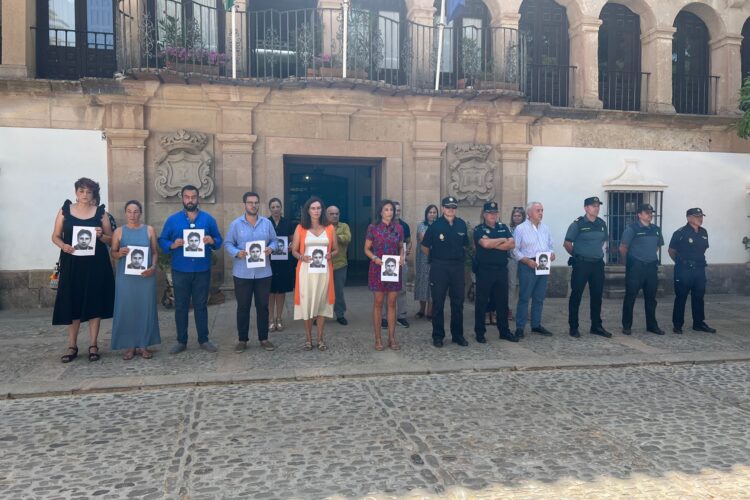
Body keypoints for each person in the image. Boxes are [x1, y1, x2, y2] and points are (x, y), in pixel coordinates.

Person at [51, 177, 114, 363]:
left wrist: (102, 236)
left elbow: (111, 240)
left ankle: (93, 344)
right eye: (82, 191)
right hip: (72, 263)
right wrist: (63, 246)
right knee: (73, 303)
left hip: (96, 265)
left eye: (89, 192)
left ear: (93, 194)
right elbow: (55, 236)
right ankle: (72, 345)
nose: (85, 195)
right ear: (76, 192)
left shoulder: (101, 213)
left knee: (94, 302)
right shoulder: (65, 211)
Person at [158, 185, 223, 353]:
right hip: (180, 269)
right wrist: (172, 244)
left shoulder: (208, 219)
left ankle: (204, 339)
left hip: (202, 269)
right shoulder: (173, 220)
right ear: (182, 198)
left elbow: (219, 239)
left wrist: (211, 241)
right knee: (180, 305)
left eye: (193, 197)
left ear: (198, 198)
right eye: (187, 197)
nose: (190, 200)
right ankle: (181, 341)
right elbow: (162, 240)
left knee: (201, 305)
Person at [224, 191, 280, 353]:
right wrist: (237, 252)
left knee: (263, 306)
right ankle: (242, 340)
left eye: (256, 203)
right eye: (250, 202)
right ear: (245, 205)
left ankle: (264, 338)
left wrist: (271, 248)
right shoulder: (236, 224)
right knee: (243, 307)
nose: (253, 205)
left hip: (263, 273)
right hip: (242, 273)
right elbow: (228, 243)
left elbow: (275, 241)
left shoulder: (266, 224)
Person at [110, 200, 161, 359]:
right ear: (125, 213)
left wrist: (153, 267)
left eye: (136, 211)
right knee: (127, 309)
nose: (132, 215)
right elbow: (113, 253)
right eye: (129, 211)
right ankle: (130, 346)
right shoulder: (119, 232)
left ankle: (144, 345)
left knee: (145, 309)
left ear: (141, 213)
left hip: (145, 276)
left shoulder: (149, 230)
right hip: (125, 278)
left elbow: (154, 252)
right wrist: (120, 253)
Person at [421, 196, 469, 348]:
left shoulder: (461, 224)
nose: (450, 210)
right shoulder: (435, 226)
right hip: (439, 267)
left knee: (458, 303)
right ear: (442, 208)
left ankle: (457, 335)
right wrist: (436, 258)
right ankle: (438, 336)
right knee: (438, 303)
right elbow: (424, 246)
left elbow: (465, 245)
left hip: (457, 268)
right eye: (448, 207)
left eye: (453, 207)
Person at [291, 196, 338, 351]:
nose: (316, 211)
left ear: (322, 210)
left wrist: (332, 254)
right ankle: (308, 339)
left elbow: (336, 249)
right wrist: (301, 257)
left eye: (318, 208)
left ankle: (320, 339)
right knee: (308, 303)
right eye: (313, 208)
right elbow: (294, 250)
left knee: (322, 303)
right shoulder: (300, 228)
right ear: (308, 210)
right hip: (306, 272)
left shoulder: (330, 228)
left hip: (324, 271)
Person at [564, 196, 612, 338]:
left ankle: (596, 326)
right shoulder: (577, 224)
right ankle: (573, 327)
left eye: (598, 205)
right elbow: (567, 243)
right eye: (593, 206)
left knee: (597, 296)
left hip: (597, 264)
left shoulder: (602, 224)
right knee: (576, 295)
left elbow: (602, 241)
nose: (596, 208)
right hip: (582, 264)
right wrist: (578, 256)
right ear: (586, 208)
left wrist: (593, 252)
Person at [473, 201, 516, 343]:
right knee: (481, 303)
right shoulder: (479, 229)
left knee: (502, 303)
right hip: (484, 271)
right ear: (484, 214)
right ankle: (480, 332)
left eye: (495, 213)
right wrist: (502, 240)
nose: (493, 215)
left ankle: (504, 331)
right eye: (490, 213)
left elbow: (511, 244)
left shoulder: (503, 227)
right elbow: (484, 244)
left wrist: (493, 243)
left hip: (501, 271)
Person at [668, 207, 716, 334]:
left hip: (699, 270)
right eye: (696, 216)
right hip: (684, 270)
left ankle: (698, 323)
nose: (700, 219)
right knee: (681, 297)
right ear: (689, 218)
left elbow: (703, 249)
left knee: (699, 297)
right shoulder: (680, 232)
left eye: (701, 216)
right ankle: (678, 325)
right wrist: (682, 263)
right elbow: (671, 251)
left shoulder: (703, 232)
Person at [365, 199, 405, 350]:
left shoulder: (399, 228)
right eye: (387, 209)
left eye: (391, 210)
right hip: (377, 268)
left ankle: (392, 337)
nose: (390, 212)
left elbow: (401, 246)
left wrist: (402, 256)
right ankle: (377, 338)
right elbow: (367, 249)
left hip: (393, 269)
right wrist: (374, 258)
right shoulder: (373, 228)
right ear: (380, 212)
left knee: (392, 302)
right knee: (378, 303)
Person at [619, 203, 664, 335]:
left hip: (651, 267)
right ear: (639, 215)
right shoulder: (631, 229)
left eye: (651, 213)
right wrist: (627, 263)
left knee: (651, 298)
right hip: (636, 267)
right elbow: (623, 248)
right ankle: (627, 325)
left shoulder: (656, 229)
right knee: (630, 297)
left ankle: (652, 325)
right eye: (646, 212)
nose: (650, 215)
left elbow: (657, 247)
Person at [512, 201, 555, 339]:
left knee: (539, 297)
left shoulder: (546, 228)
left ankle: (536, 325)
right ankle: (520, 327)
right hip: (528, 265)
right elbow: (514, 249)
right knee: (524, 297)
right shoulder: (520, 229)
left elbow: (550, 245)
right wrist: (526, 260)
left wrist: (551, 254)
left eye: (542, 210)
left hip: (542, 263)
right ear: (529, 213)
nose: (541, 213)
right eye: (538, 210)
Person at [381, 201, 411, 328]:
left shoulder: (404, 226)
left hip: (401, 261)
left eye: (398, 210)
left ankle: (401, 316)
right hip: (386, 262)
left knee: (402, 288)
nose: (395, 212)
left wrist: (407, 250)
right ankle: (384, 317)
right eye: (394, 210)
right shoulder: (381, 225)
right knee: (385, 290)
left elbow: (408, 241)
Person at [267, 198, 295, 332]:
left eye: (278, 206)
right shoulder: (266, 223)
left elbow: (293, 239)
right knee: (270, 291)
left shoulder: (287, 222)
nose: (276, 209)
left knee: (281, 291)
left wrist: (291, 246)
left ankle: (279, 318)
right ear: (270, 209)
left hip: (284, 261)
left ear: (281, 208)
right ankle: (270, 319)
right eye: (273, 207)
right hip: (269, 261)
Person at [327, 205, 351, 325]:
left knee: (338, 291)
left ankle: (340, 314)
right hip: (323, 265)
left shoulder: (344, 226)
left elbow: (347, 238)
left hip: (340, 264)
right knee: (322, 291)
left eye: (336, 213)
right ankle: (321, 315)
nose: (335, 216)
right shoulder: (322, 227)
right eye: (332, 214)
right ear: (327, 215)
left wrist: (333, 235)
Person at [415, 204, 438, 320]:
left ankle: (430, 311)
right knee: (423, 283)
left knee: (433, 284)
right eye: (430, 212)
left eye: (434, 212)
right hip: (423, 259)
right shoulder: (421, 225)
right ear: (426, 214)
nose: (432, 214)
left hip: (436, 259)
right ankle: (421, 309)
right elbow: (423, 239)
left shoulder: (439, 225)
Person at [507, 207, 526, 321]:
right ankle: (509, 309)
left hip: (525, 259)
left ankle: (523, 310)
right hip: (512, 260)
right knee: (512, 285)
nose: (517, 218)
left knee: (524, 285)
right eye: (515, 216)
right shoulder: (509, 229)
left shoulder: (527, 229)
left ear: (523, 217)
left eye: (519, 215)